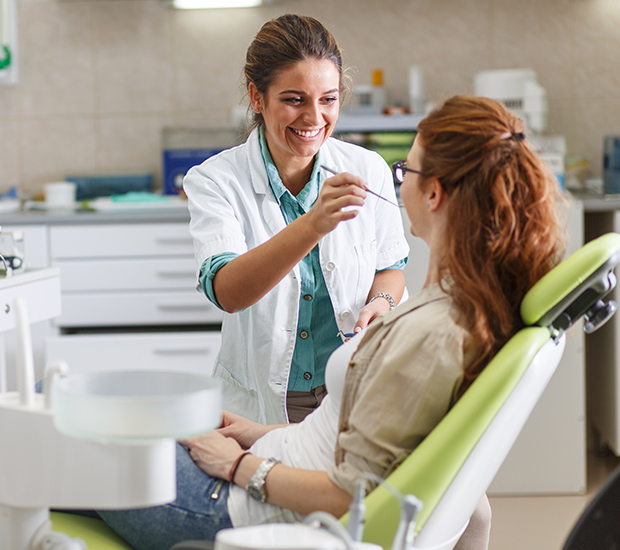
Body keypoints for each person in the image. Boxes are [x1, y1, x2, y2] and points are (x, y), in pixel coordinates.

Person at [98, 94, 565, 550]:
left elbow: (350, 495)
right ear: (257, 99)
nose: (397, 183)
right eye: (295, 99)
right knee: (97, 426)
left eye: (406, 171)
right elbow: (346, 444)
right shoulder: (454, 309)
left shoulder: (431, 335)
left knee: (62, 440)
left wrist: (236, 465)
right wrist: (256, 434)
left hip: (245, 503)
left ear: (435, 194)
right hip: (269, 453)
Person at [183, 14, 409, 425]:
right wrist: (314, 222)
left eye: (328, 99)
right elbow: (228, 292)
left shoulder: (367, 167)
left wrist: (382, 303)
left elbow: (391, 267)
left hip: (355, 387)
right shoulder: (214, 180)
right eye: (294, 99)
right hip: (266, 399)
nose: (314, 118)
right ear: (257, 97)